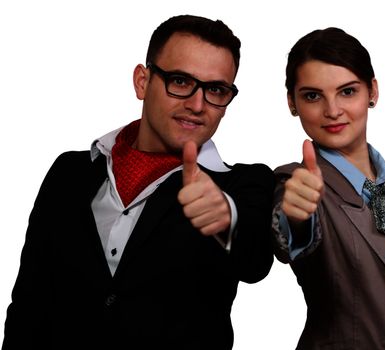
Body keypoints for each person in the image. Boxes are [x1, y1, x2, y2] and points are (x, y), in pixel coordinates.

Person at [2, 15, 275, 350]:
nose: (197, 104)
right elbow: (29, 302)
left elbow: (255, 260)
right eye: (179, 81)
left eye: (215, 89)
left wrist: (226, 218)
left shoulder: (245, 184)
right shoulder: (69, 172)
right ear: (142, 82)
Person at [272, 27, 385, 349]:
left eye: (347, 91)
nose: (332, 110)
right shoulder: (295, 182)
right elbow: (290, 231)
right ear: (292, 102)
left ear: (372, 91)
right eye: (313, 95)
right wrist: (294, 214)